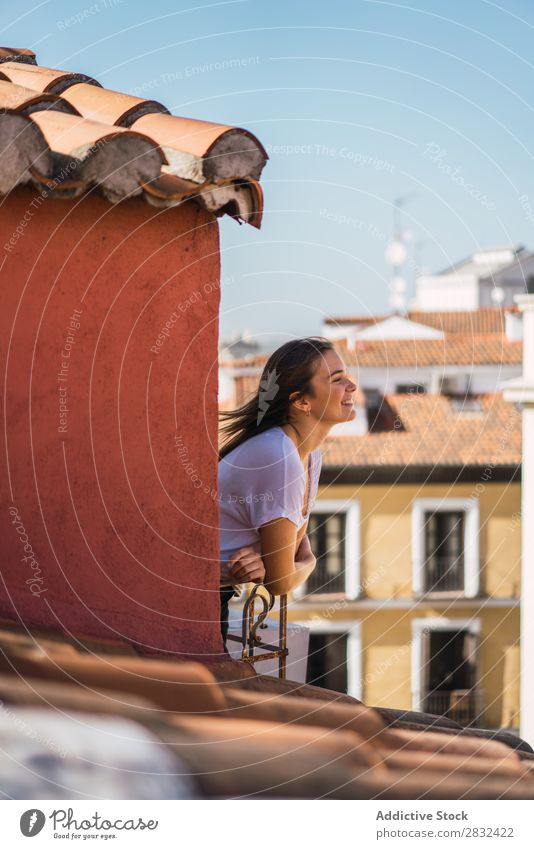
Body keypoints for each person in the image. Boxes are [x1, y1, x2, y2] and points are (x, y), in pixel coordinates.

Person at [217, 336, 358, 648]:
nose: (352, 385)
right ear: (301, 401)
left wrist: (272, 560)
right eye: (337, 379)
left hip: (218, 594)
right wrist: (310, 563)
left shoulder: (307, 457)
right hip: (200, 598)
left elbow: (284, 557)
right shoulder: (279, 457)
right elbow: (281, 580)